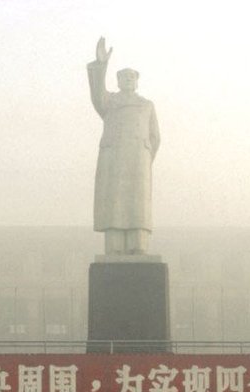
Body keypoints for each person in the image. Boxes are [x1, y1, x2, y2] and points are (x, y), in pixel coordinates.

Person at [87, 37, 160, 255]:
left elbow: (155, 136)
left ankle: (138, 244)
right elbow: (96, 95)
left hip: (138, 160)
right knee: (115, 200)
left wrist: (145, 157)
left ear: (137, 81)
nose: (128, 80)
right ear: (117, 81)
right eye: (123, 77)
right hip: (114, 158)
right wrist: (101, 65)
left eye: (132, 77)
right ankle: (115, 244)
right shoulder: (109, 102)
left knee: (136, 202)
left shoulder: (147, 105)